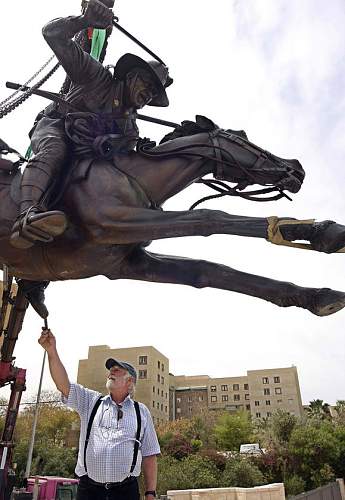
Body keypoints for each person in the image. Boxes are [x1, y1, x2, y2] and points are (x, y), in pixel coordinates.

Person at [11, 0, 173, 249]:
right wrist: (84, 21)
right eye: (147, 86)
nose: (149, 95)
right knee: (56, 148)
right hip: (56, 126)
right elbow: (52, 34)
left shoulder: (130, 128)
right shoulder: (94, 75)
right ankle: (27, 216)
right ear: (131, 76)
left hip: (86, 156)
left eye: (153, 94)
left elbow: (123, 169)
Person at [39, 329, 160, 500]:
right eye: (110, 369)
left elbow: (149, 455)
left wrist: (150, 492)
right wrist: (51, 351)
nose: (111, 371)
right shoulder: (91, 401)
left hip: (125, 492)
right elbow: (63, 385)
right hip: (89, 490)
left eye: (117, 370)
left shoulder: (141, 412)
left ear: (129, 380)